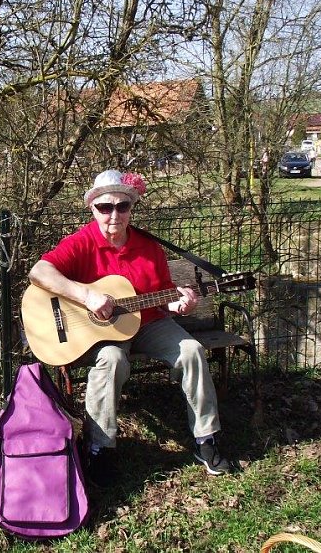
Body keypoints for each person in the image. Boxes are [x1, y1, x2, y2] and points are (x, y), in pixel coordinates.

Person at [27, 169, 232, 486]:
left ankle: (207, 439)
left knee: (192, 351)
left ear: (131, 208)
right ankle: (100, 449)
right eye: (105, 207)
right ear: (93, 208)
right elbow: (39, 272)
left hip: (150, 324)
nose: (114, 214)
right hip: (103, 334)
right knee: (111, 360)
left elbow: (164, 297)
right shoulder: (82, 243)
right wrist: (87, 295)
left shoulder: (149, 247)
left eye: (122, 206)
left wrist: (180, 305)